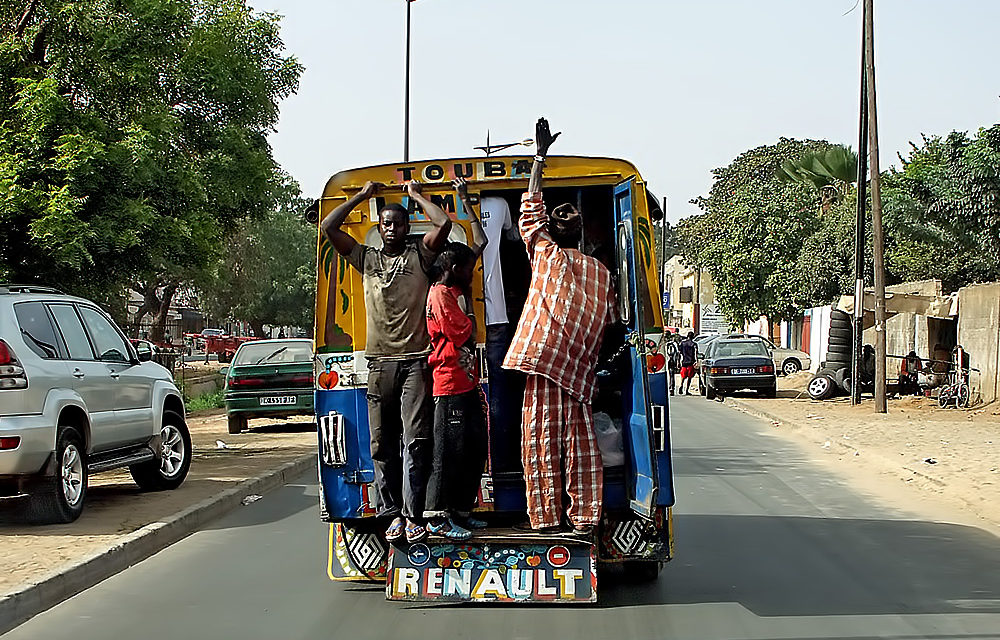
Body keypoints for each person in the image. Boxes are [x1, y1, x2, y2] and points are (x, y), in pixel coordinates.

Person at [321, 179, 452, 544]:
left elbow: (442, 225)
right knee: (382, 443)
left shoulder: (420, 257)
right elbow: (329, 227)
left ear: (408, 226)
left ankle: (413, 515)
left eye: (397, 223)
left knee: (416, 440)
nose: (391, 229)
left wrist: (415, 196)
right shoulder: (367, 258)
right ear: (379, 229)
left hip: (415, 363)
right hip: (379, 364)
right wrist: (361, 197)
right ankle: (390, 512)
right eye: (385, 224)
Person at [503, 118, 616, 535]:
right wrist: (539, 158)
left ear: (583, 226)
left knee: (582, 450)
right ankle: (546, 519)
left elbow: (609, 321)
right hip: (543, 366)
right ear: (551, 223)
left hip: (579, 373)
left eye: (574, 212)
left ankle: (585, 518)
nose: (567, 215)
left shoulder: (600, 272)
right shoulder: (545, 252)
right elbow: (529, 208)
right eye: (559, 211)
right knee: (538, 447)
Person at [453, 178, 522, 473]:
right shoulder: (498, 204)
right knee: (499, 398)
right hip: (495, 318)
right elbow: (515, 238)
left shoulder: (444, 216)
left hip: (457, 324)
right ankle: (502, 465)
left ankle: (473, 468)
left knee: (460, 402)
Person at [423, 242, 489, 540]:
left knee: (474, 448)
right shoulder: (439, 294)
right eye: (467, 269)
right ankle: (437, 517)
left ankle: (462, 510)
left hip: (466, 381)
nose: (471, 274)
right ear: (453, 269)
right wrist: (470, 322)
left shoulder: (455, 294)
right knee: (447, 453)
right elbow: (461, 331)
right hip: (449, 384)